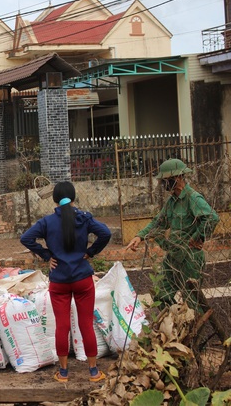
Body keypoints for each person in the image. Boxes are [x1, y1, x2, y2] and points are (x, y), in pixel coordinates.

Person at [20, 181, 111, 383]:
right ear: (73, 196)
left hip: (59, 281)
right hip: (82, 280)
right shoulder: (84, 218)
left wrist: (46, 256)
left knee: (62, 326)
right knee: (86, 324)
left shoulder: (47, 222)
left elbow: (26, 238)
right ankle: (94, 371)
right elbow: (105, 233)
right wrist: (90, 253)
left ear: (54, 199)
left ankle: (63, 372)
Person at [125, 158, 219, 310]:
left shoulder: (192, 198)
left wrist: (198, 237)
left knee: (191, 302)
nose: (163, 184)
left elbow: (211, 217)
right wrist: (139, 236)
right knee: (161, 295)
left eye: (166, 180)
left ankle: (195, 330)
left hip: (190, 258)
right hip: (173, 256)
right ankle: (176, 324)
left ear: (178, 177)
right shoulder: (172, 201)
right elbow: (159, 222)